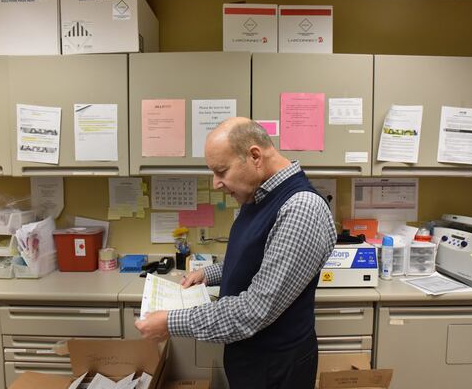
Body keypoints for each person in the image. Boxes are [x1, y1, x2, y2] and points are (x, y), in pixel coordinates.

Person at [135, 117, 337, 389]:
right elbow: (257, 259)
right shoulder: (258, 195)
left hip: (277, 366)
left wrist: (170, 322)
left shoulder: (300, 208)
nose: (216, 183)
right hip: (250, 356)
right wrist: (211, 274)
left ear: (254, 156)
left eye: (221, 171)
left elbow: (254, 310)